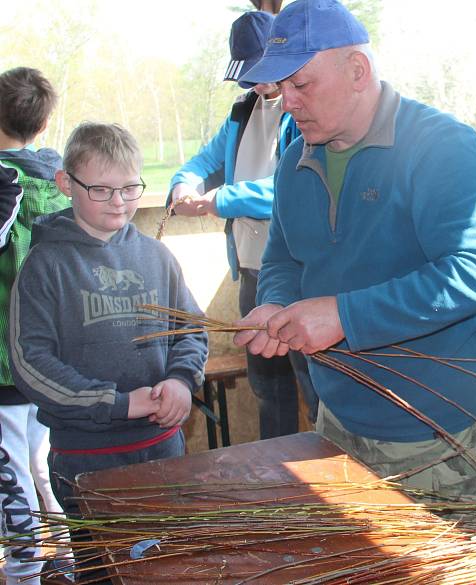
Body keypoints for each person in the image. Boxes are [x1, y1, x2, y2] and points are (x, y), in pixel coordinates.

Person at [235, 0, 476, 503]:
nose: (286, 101)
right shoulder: (295, 158)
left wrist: (344, 314)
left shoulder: (441, 146)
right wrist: (275, 303)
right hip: (335, 413)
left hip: (428, 427)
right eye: (281, 87)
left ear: (357, 70)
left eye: (301, 84)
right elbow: (283, 257)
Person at [10, 122, 208, 540]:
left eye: (130, 189)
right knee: (101, 563)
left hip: (162, 449)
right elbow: (31, 364)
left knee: (165, 559)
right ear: (66, 183)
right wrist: (116, 403)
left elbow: (190, 329)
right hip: (86, 459)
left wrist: (180, 380)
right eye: (101, 190)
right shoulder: (45, 266)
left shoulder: (157, 256)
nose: (118, 203)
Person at [169, 11, 316, 438]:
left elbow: (290, 189)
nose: (255, 85)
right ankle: (277, 475)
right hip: (253, 273)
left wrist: (222, 200)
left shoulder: (301, 113)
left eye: (260, 74)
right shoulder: (241, 111)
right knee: (268, 386)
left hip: (298, 276)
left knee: (314, 383)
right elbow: (206, 159)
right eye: (248, 77)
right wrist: (184, 184)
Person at [0, 67, 73, 585]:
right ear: (45, 125)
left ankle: (23, 570)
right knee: (41, 462)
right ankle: (67, 555)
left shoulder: (6, 184)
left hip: (4, 359)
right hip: (50, 356)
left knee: (9, 472)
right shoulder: (62, 182)